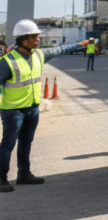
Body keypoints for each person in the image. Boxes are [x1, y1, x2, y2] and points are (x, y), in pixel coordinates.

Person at [0, 20, 90, 193]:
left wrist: (80, 44)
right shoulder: (7, 61)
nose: (38, 39)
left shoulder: (39, 55)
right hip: (13, 110)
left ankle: (24, 174)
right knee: (8, 144)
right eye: (35, 37)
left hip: (33, 108)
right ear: (24, 40)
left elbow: (60, 50)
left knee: (26, 142)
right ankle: (1, 178)